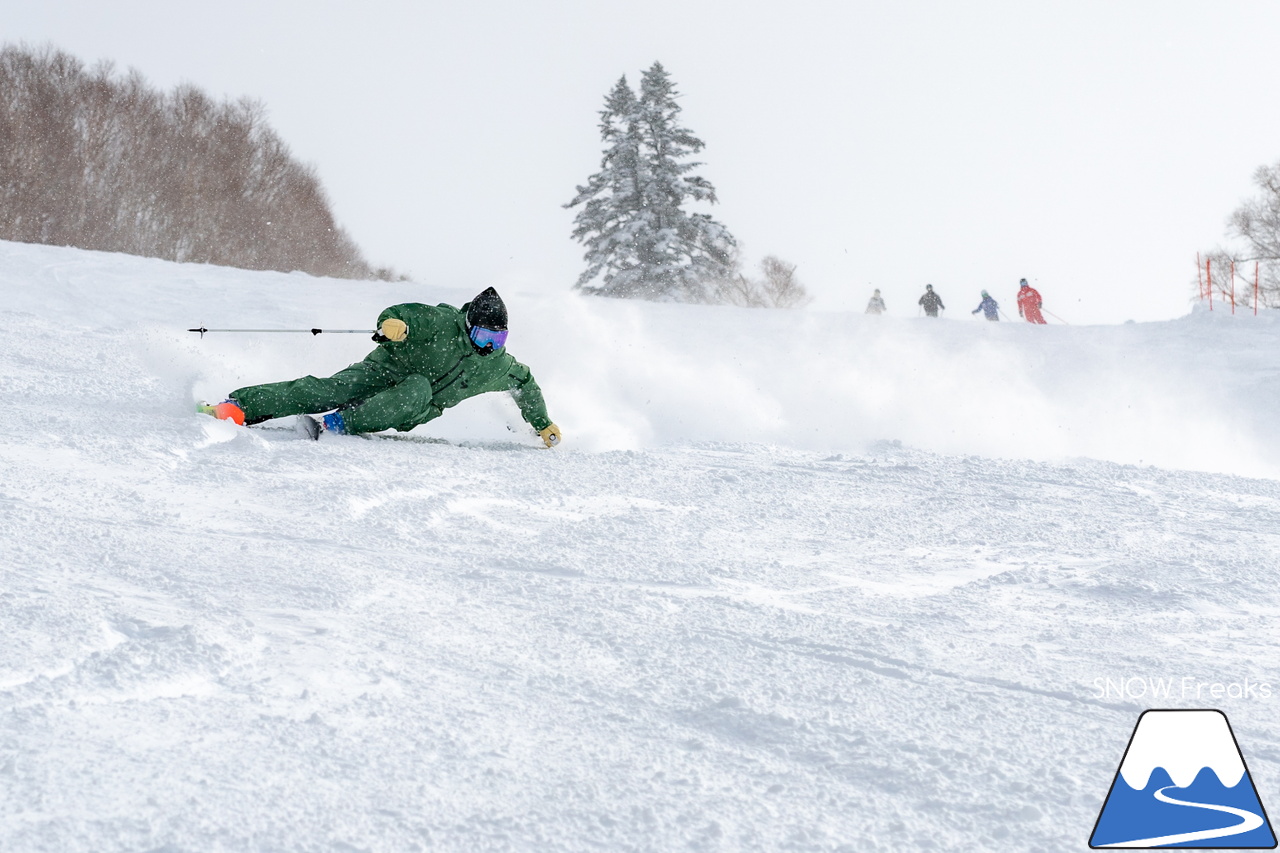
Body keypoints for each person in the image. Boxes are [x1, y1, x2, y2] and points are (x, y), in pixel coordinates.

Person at [199, 287, 562, 446]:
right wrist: (393, 324)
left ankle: (338, 425)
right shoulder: (441, 322)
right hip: (383, 369)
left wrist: (543, 424)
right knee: (330, 389)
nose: (489, 347)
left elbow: (526, 386)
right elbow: (402, 314)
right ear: (469, 325)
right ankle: (240, 406)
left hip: (415, 402)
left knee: (418, 387)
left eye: (497, 340)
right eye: (484, 336)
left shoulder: (496, 366)